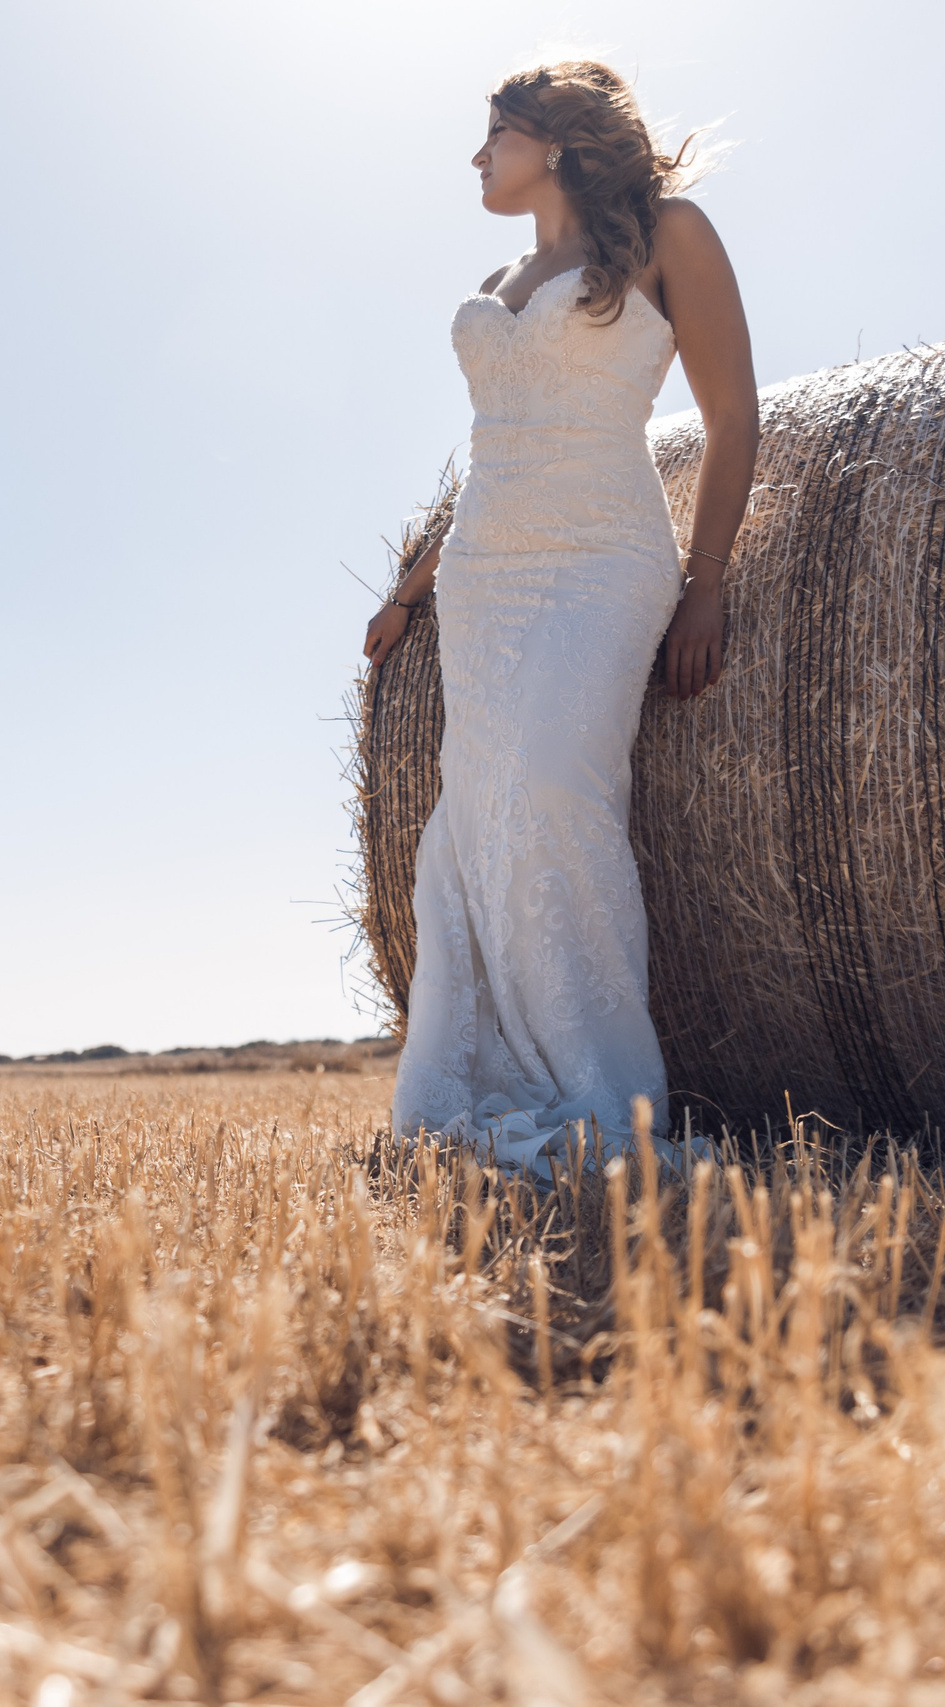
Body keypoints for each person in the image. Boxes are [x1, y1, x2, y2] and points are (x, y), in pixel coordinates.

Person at [363, 59, 757, 1175]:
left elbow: (732, 414)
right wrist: (411, 588)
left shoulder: (669, 236)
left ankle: (602, 1088)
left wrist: (708, 580)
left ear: (556, 140)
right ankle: (493, 1081)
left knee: (550, 791)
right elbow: (496, 455)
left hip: (603, 559)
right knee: (476, 821)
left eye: (495, 134)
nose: (477, 157)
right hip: (484, 575)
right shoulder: (501, 274)